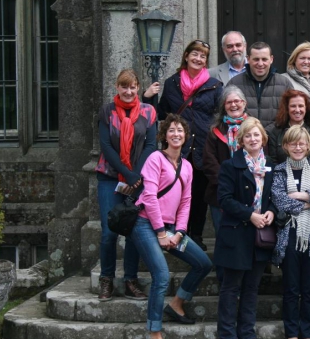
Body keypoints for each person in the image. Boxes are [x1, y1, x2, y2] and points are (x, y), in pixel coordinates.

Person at [131, 114, 213, 339]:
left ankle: (177, 304)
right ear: (164, 135)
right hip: (146, 225)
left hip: (172, 229)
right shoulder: (155, 159)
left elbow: (186, 201)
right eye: (171, 130)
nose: (176, 134)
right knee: (162, 276)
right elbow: (148, 197)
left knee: (203, 263)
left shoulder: (187, 166)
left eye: (180, 130)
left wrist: (179, 232)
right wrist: (160, 232)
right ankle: (154, 334)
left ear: (186, 136)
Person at [150, 39, 222, 250]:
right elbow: (161, 112)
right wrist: (147, 98)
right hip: (176, 147)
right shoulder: (172, 83)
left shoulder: (214, 85)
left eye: (203, 56)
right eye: (195, 54)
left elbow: (219, 115)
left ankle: (196, 235)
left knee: (198, 195)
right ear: (186, 56)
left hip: (202, 146)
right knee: (175, 192)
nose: (198, 59)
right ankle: (174, 231)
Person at [94, 69, 156, 302]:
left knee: (133, 230)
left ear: (138, 87)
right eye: (124, 87)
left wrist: (135, 175)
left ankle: (131, 279)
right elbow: (105, 146)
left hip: (138, 179)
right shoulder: (106, 111)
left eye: (132, 87)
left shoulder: (148, 112)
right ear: (117, 87)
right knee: (109, 232)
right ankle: (106, 279)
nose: (128, 91)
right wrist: (125, 173)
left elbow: (150, 145)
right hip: (110, 177)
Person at [215, 117, 276, 339]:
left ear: (263, 139)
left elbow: (274, 197)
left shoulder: (270, 165)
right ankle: (228, 335)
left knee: (252, 287)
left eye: (256, 135)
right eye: (248, 135)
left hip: (261, 234)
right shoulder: (231, 166)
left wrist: (271, 211)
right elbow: (224, 199)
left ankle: (248, 334)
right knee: (231, 287)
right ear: (241, 140)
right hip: (237, 233)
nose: (253, 139)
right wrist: (250, 215)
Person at [271, 126, 310, 339]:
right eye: (293, 143)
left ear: (308, 146)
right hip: (289, 235)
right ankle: (292, 335)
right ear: (285, 146)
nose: (297, 147)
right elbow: (279, 200)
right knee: (291, 288)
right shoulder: (278, 171)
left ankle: (308, 335)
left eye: (301, 143)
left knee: (309, 288)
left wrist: (299, 196)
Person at [203, 85, 249, 234]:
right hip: (220, 192)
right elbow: (209, 161)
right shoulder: (215, 130)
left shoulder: (254, 128)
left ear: (244, 103)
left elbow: (261, 156)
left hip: (248, 191)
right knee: (224, 236)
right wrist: (227, 183)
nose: (233, 105)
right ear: (224, 106)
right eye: (229, 102)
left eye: (237, 101)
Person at [229, 42, 293, 127]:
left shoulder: (285, 84)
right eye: (256, 59)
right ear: (248, 59)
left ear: (271, 59)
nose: (260, 64)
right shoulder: (234, 84)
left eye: (264, 59)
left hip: (276, 138)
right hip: (244, 138)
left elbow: (291, 115)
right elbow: (224, 114)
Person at [265, 90, 310, 164]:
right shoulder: (276, 131)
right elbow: (273, 161)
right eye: (293, 106)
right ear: (287, 108)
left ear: (306, 108)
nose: (297, 110)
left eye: (301, 106)